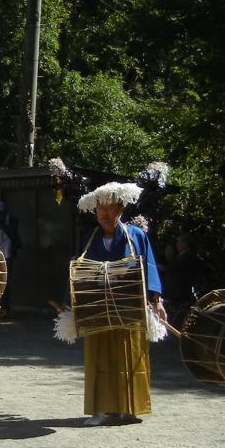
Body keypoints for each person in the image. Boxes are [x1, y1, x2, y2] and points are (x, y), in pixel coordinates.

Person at [61, 182, 165, 426]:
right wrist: (71, 304)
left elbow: (148, 267)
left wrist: (156, 300)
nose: (106, 215)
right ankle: (102, 410)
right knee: (100, 356)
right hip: (97, 307)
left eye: (111, 209)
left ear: (121, 209)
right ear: (95, 211)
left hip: (130, 305)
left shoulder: (136, 236)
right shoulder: (90, 238)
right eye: (101, 210)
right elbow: (77, 271)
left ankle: (130, 408)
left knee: (130, 354)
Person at [0, 199, 19, 320]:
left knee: (6, 282)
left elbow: (13, 235)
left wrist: (1, 223)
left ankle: (5, 308)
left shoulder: (11, 219)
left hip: (7, 254)